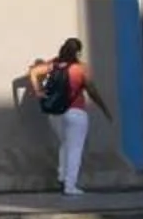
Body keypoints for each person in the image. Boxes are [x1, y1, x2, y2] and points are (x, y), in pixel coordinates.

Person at [36, 36, 115, 195]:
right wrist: (105, 109)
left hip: (56, 113)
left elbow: (33, 72)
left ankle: (62, 175)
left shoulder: (54, 64)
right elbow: (92, 91)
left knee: (65, 144)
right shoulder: (81, 69)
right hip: (76, 112)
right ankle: (70, 186)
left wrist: (38, 91)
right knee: (75, 149)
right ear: (78, 52)